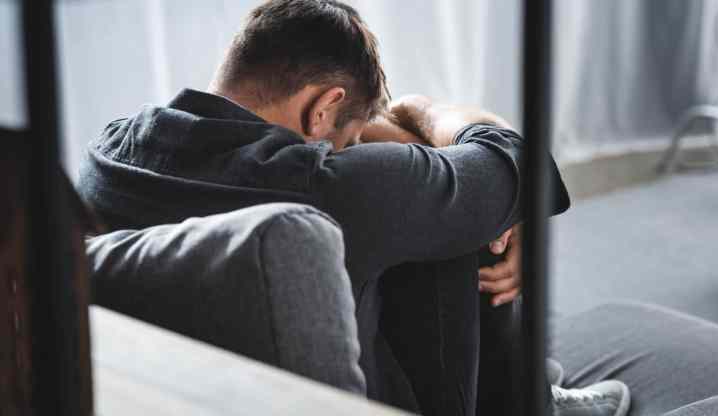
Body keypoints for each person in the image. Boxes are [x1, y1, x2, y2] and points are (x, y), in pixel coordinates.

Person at [76, 1, 628, 415]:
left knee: (436, 197)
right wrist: (421, 108)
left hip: (186, 391)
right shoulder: (326, 188)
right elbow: (515, 162)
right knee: (461, 215)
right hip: (360, 399)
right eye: (348, 140)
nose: (346, 152)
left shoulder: (110, 152)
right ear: (324, 109)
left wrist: (365, 130)